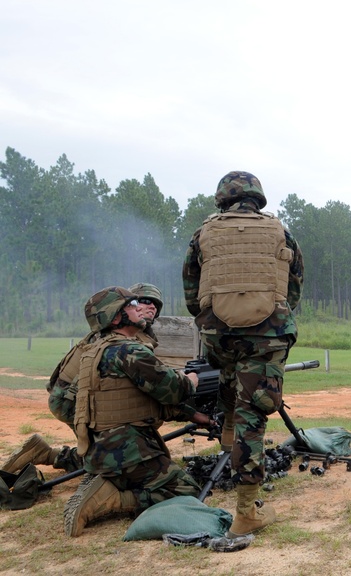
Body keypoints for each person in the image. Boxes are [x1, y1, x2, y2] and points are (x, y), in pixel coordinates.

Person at [182, 170, 304, 538]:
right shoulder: (280, 232)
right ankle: (246, 512)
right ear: (258, 198)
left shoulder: (203, 233)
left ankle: (228, 440)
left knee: (231, 392)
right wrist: (270, 317)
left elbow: (191, 291)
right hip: (267, 334)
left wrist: (218, 322)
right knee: (255, 413)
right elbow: (294, 286)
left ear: (222, 199)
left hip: (219, 334)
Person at [62, 286, 208, 537]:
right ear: (116, 317)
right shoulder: (130, 351)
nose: (138, 308)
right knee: (186, 489)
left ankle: (105, 481)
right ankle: (112, 498)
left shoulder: (95, 351)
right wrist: (191, 380)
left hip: (98, 450)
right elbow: (173, 390)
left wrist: (191, 414)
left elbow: (139, 400)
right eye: (130, 305)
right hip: (128, 452)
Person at [3, 283, 168, 476]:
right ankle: (47, 455)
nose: (151, 306)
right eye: (144, 301)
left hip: (73, 397)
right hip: (74, 401)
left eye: (155, 304)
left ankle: (45, 453)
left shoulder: (121, 332)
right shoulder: (124, 337)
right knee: (113, 460)